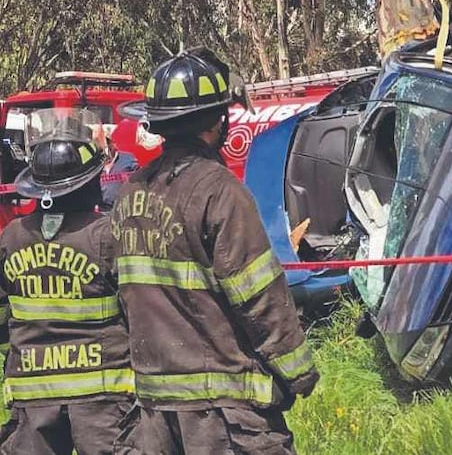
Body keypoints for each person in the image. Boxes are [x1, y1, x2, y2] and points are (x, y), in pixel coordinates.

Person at [110, 48, 318, 454]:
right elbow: (258, 294)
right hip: (221, 409)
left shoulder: (130, 193)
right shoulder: (219, 190)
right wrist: (299, 372)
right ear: (215, 121)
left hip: (154, 413)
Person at [0, 117, 133, 454]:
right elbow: (140, 309)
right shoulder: (108, 235)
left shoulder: (12, 237)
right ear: (89, 182)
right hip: (102, 397)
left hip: (32, 393)